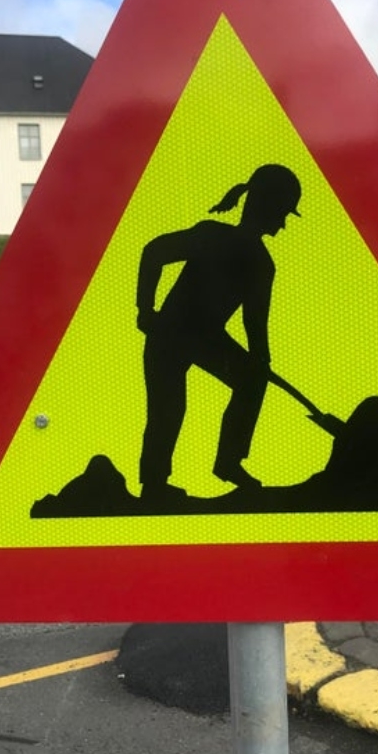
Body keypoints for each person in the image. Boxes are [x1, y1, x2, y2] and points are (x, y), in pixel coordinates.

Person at [136, 163, 301, 501]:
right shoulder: (219, 239)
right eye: (282, 213)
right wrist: (145, 310)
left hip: (205, 339)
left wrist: (260, 362)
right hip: (169, 336)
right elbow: (153, 252)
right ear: (267, 208)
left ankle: (227, 463)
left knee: (249, 381)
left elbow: (255, 323)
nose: (283, 224)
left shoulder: (257, 260)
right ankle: (155, 485)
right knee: (168, 410)